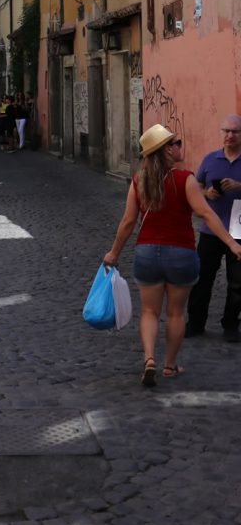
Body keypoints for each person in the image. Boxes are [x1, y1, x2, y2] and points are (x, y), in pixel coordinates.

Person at [103, 124, 241, 387]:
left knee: (149, 312)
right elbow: (206, 214)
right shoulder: (185, 179)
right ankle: (169, 365)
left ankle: (148, 360)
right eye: (174, 143)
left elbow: (128, 222)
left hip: (146, 253)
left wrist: (114, 253)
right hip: (181, 253)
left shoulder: (138, 180)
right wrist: (232, 244)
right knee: (176, 314)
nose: (179, 146)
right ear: (165, 151)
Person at [186, 114, 241, 341]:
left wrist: (240, 186)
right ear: (221, 133)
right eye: (226, 131)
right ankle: (196, 323)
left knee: (237, 283)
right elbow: (196, 187)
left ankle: (230, 326)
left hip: (238, 232)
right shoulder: (210, 160)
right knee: (202, 279)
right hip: (210, 230)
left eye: (235, 132)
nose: (230, 135)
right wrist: (206, 193)